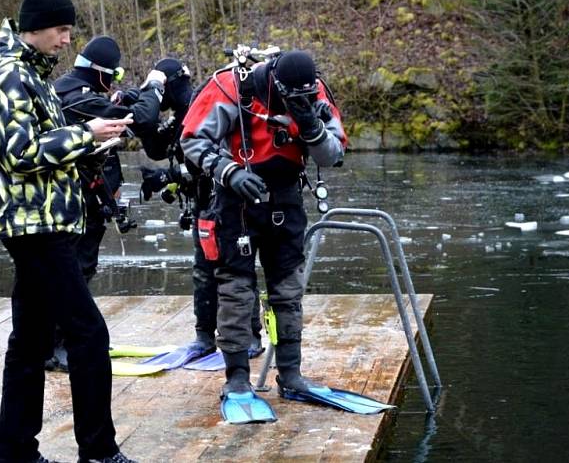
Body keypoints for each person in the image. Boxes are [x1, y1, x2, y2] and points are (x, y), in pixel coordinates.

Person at [0, 0, 137, 463]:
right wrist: (87, 135)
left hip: (44, 220)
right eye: (62, 30)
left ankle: (16, 453)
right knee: (89, 333)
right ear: (37, 26)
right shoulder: (9, 76)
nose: (69, 40)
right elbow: (20, 154)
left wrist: (100, 138)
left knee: (29, 343)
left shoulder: (32, 74)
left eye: (70, 30)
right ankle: (99, 452)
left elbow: (48, 147)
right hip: (33, 225)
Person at [180, 49, 348, 421]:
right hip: (236, 199)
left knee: (288, 291)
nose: (298, 101)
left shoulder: (315, 92)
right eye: (291, 97)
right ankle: (237, 377)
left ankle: (291, 374)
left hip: (286, 199)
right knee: (236, 290)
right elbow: (191, 139)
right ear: (274, 84)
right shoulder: (230, 86)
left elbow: (332, 155)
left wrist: (311, 124)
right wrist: (228, 171)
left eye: (305, 96)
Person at [40, 38, 166, 373]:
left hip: (78, 195)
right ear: (99, 72)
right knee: (75, 271)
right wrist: (154, 85)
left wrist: (121, 98)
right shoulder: (79, 98)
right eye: (115, 74)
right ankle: (59, 346)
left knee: (75, 269)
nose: (114, 81)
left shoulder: (69, 90)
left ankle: (68, 339)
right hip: (77, 197)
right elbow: (143, 119)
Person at [138, 58, 264, 369]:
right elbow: (157, 148)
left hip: (229, 203)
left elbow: (212, 157)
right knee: (203, 272)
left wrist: (169, 177)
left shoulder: (204, 103)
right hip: (203, 204)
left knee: (236, 269)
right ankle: (204, 336)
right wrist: (145, 104)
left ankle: (251, 336)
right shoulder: (183, 111)